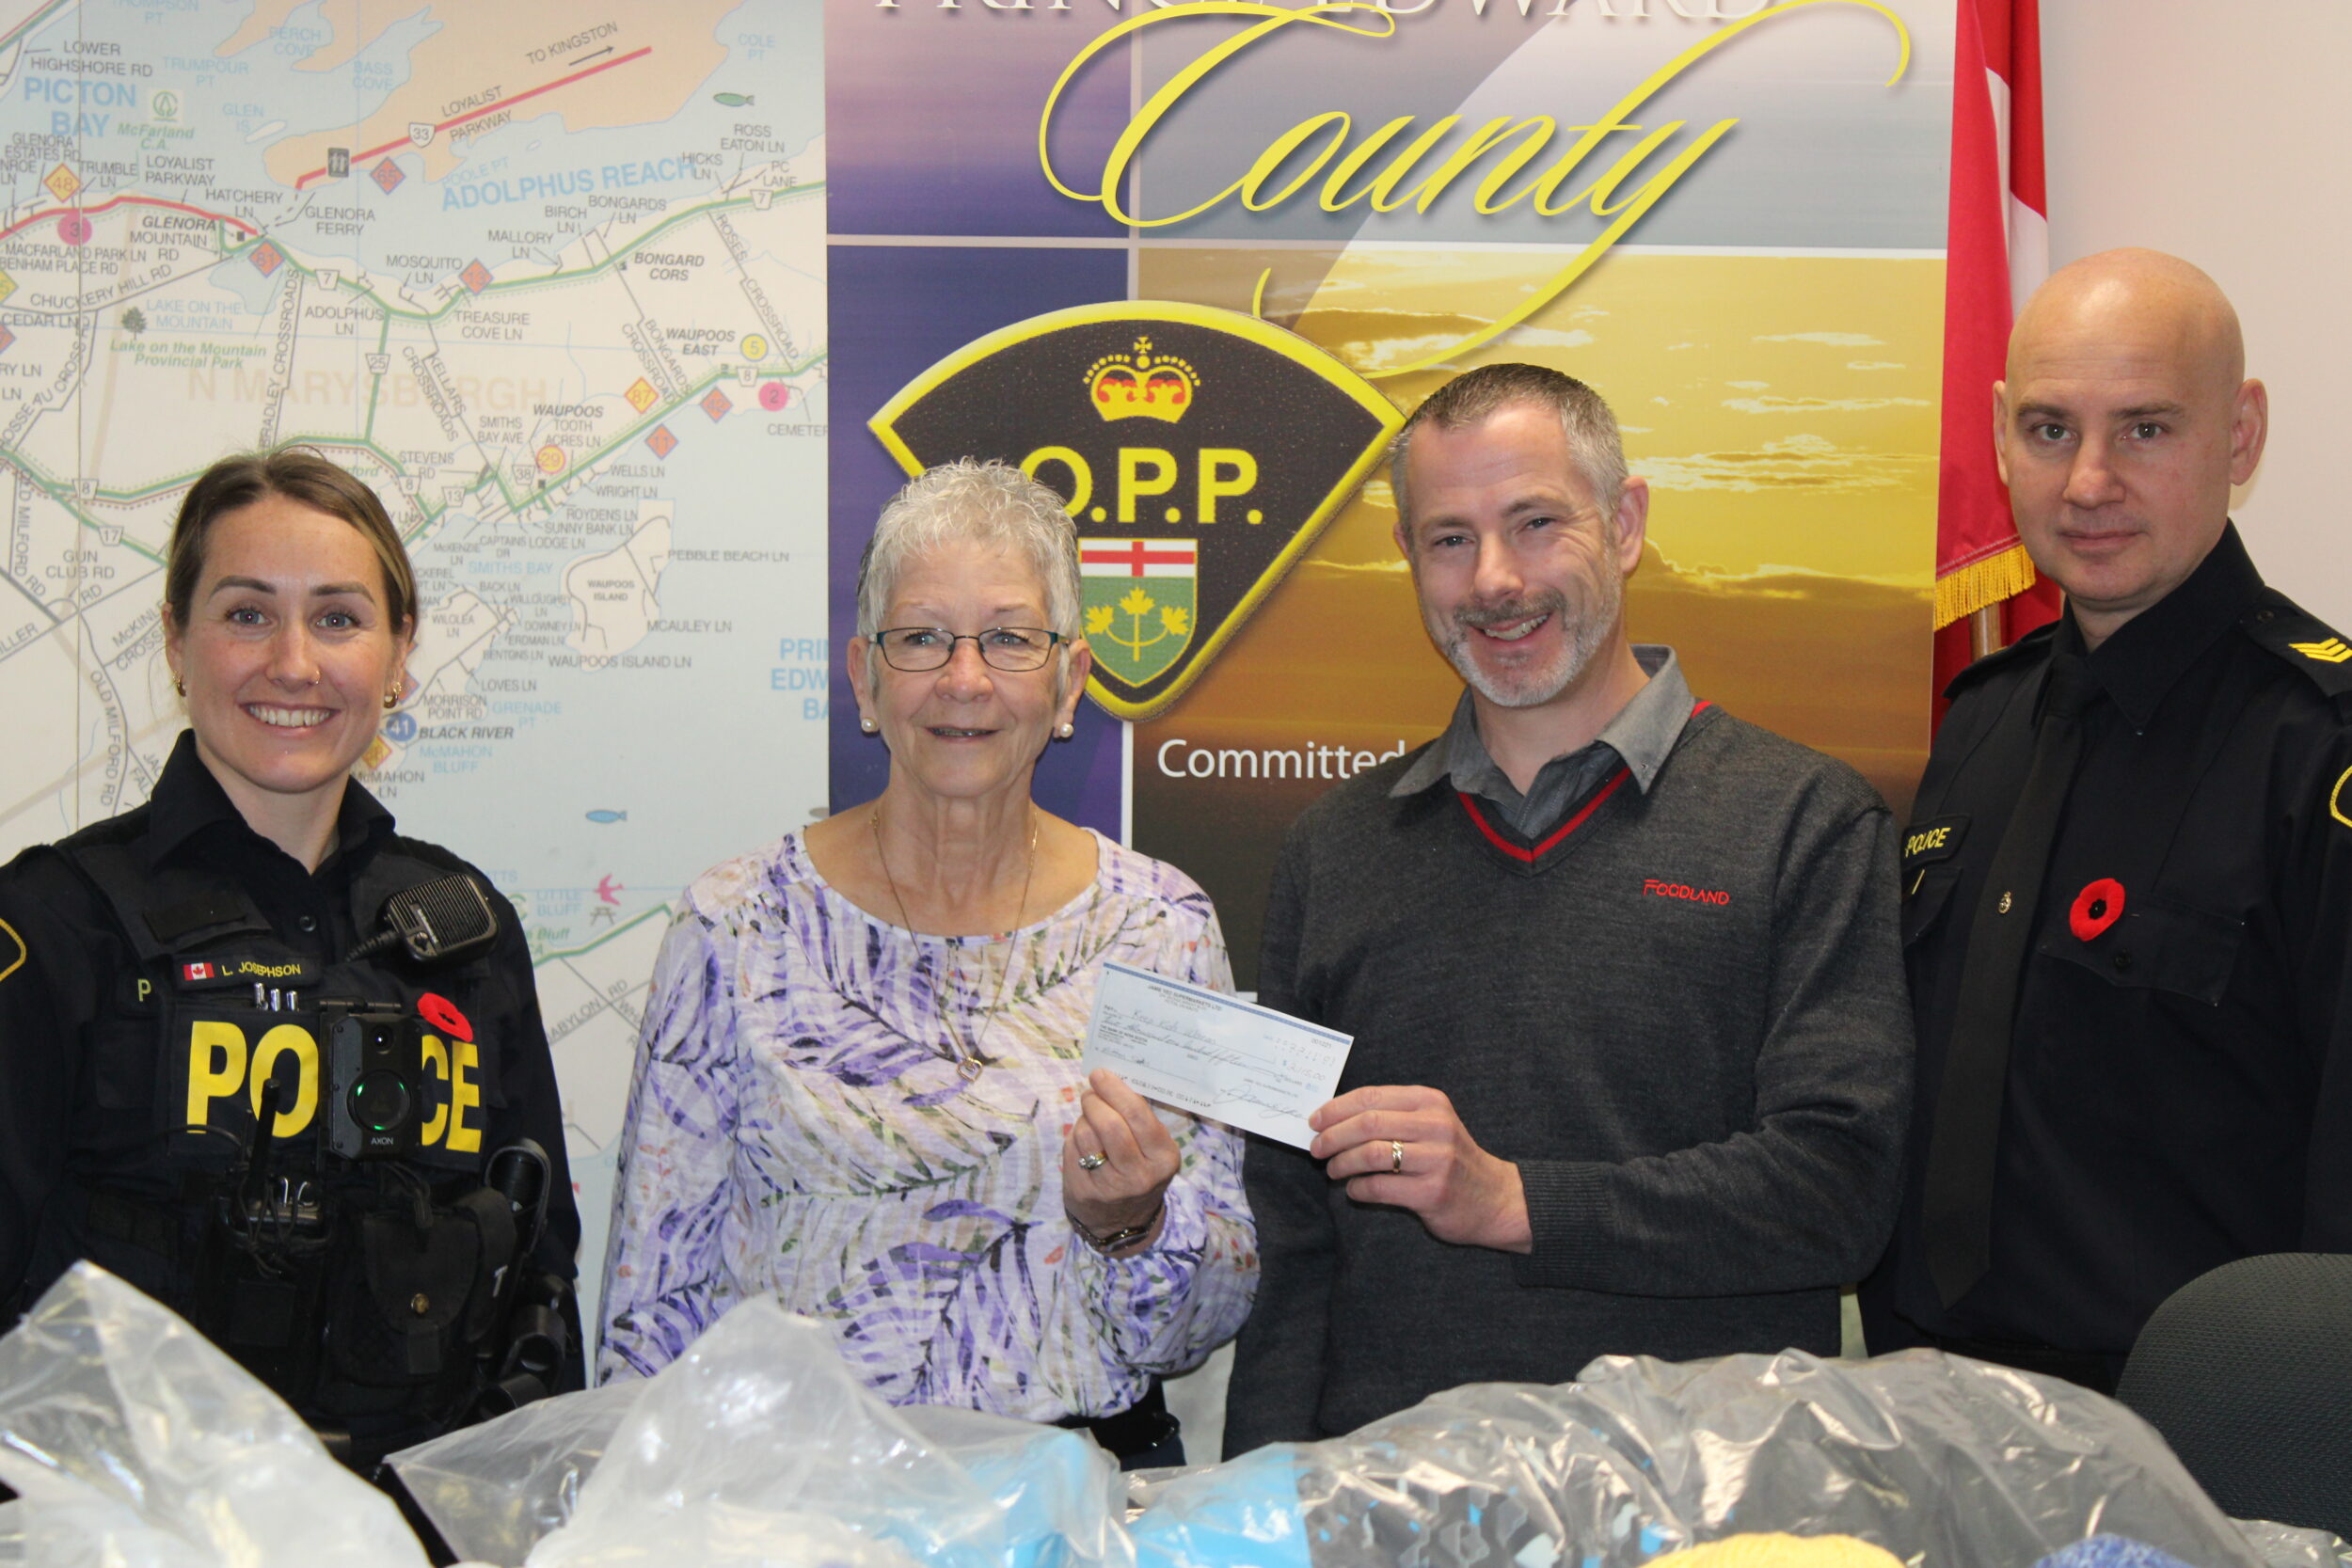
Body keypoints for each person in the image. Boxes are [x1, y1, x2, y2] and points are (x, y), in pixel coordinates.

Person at [1224, 363, 1913, 1455]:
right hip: (1399, 1508)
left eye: (1536, 522)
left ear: (1626, 522)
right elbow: (1291, 1241)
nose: (1495, 579)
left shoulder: (1805, 820)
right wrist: (1258, 1504)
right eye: (1449, 538)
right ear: (1408, 558)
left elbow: (1838, 1192)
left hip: (1701, 1501)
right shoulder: (1332, 849)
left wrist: (1514, 1199)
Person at [596, 459, 1254, 1467]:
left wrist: (1132, 1226)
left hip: (1076, 1511)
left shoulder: (1160, 927)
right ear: (863, 676)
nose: (963, 677)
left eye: (1007, 637)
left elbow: (1206, 1314)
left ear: (1070, 679)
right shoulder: (733, 926)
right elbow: (650, 1314)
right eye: (920, 637)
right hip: (795, 1516)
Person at [0, 447, 582, 1473]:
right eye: (246, 612)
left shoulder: (467, 929)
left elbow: (536, 1278)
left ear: (399, 655)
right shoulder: (55, 921)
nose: (295, 663)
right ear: (177, 643)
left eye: (340, 617)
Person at [1859, 250, 2352, 1393]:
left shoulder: (2316, 749)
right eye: (2046, 429)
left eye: (2142, 429)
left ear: (2240, 436)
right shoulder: (1978, 727)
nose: (2086, 482)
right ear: (1995, 434)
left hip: (2201, 1435)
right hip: (1927, 1408)